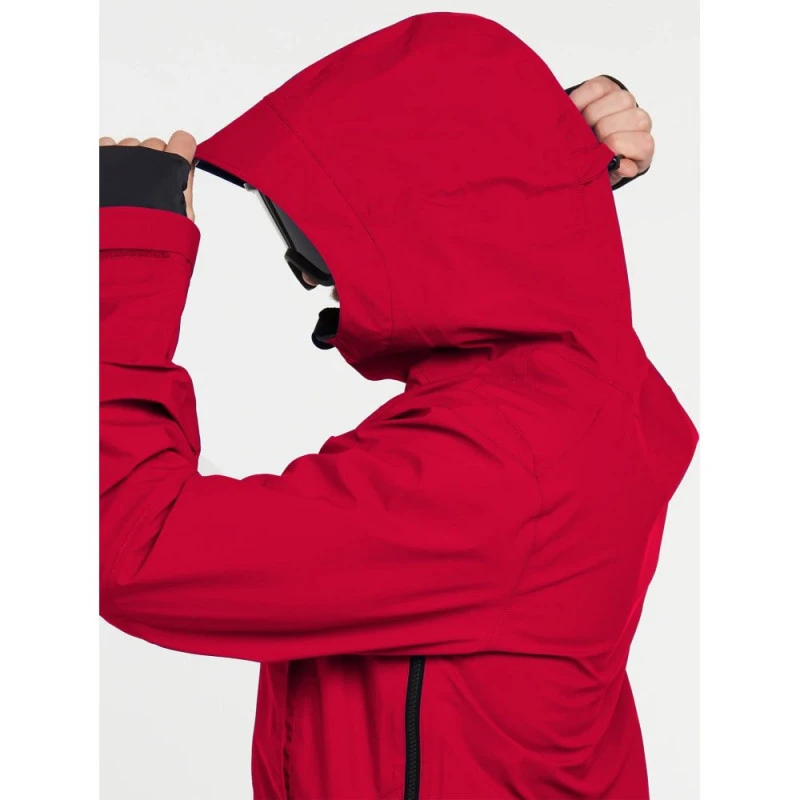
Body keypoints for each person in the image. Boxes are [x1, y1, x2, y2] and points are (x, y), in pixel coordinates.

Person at [99, 12, 695, 800]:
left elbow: (130, 549)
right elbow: (504, 240)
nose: (313, 277)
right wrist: (543, 172)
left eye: (320, 240)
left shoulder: (495, 468)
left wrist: (122, 256)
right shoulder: (583, 391)